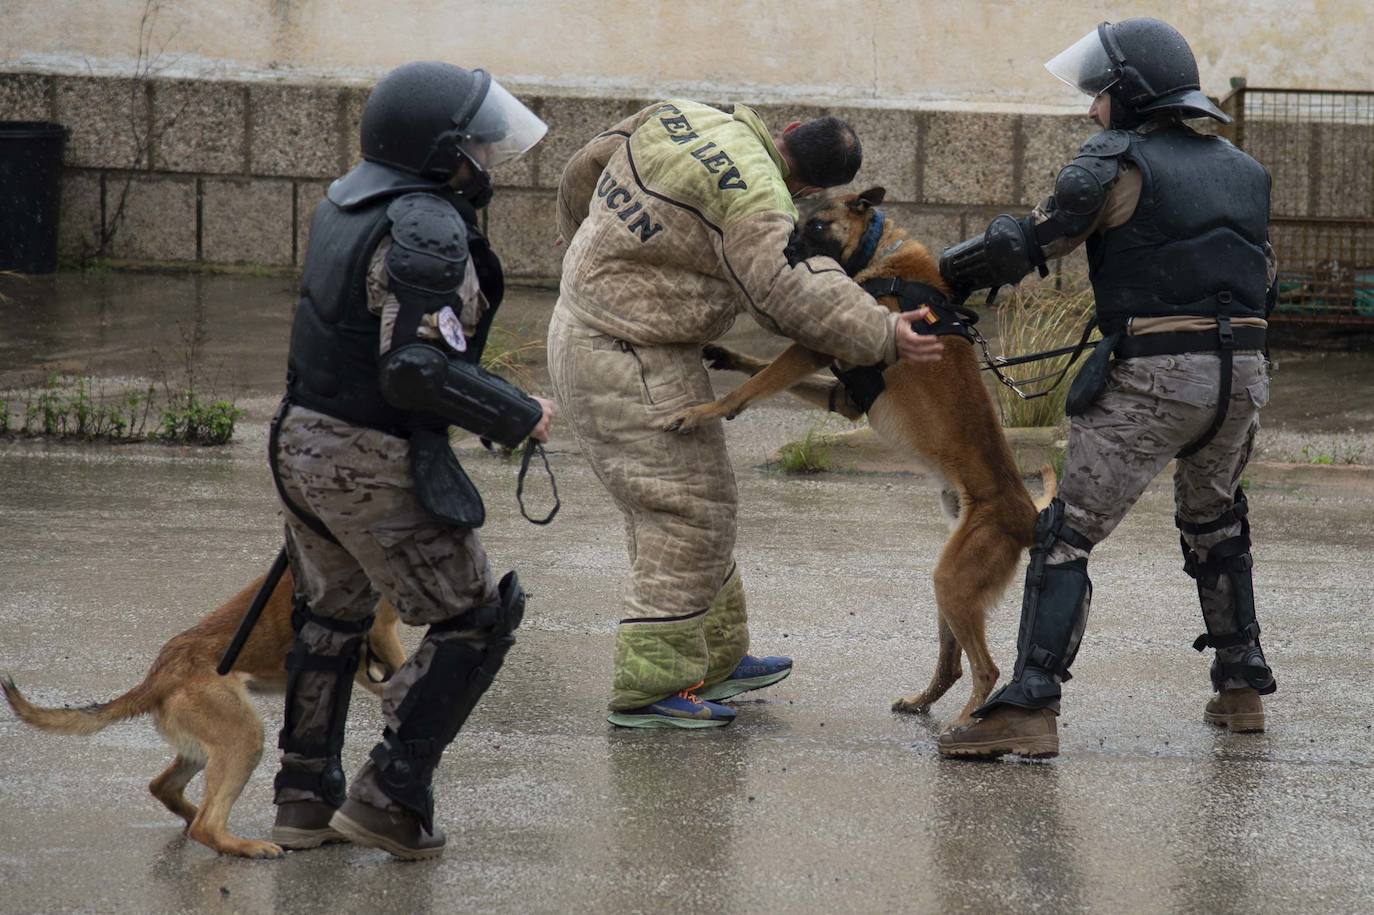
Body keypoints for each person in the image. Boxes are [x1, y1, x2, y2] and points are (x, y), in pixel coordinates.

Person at [936, 18, 1278, 759]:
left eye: (1100, 95)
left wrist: (943, 276)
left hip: (1156, 376)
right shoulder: (1245, 171)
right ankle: (1241, 685)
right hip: (1243, 375)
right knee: (1216, 522)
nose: (1091, 109)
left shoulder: (1114, 162)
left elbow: (1024, 245)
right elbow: (1264, 279)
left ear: (1129, 95)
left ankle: (1029, 702)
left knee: (1064, 534)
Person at [548, 100, 944, 729]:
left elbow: (585, 162)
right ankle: (651, 686)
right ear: (814, 187)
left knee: (707, 498)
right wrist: (883, 330)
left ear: (786, 131)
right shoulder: (760, 198)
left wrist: (580, 249)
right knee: (682, 514)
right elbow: (784, 292)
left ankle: (715, 659)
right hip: (625, 352)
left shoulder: (689, 115)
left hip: (626, 339)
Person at [266, 61, 555, 858]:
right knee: (475, 617)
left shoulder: (346, 197)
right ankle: (392, 793)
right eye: (476, 145)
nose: (487, 160)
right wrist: (520, 412)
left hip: (300, 439)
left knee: (330, 615)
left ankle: (302, 797)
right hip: (368, 453)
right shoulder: (425, 221)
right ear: (437, 150)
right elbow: (414, 368)